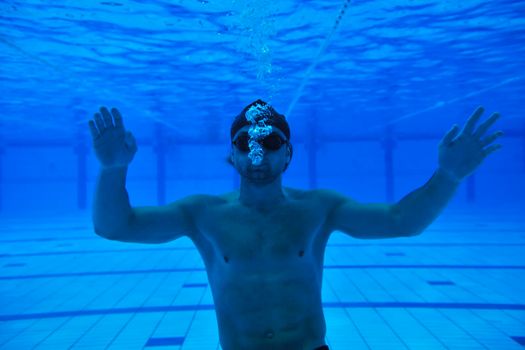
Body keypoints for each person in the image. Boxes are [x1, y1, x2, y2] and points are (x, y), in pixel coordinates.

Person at [88, 100, 503, 350]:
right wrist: (112, 170)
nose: (257, 155)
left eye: (269, 144)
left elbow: (403, 221)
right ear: (230, 155)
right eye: (244, 144)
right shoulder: (202, 214)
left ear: (288, 154)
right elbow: (115, 226)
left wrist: (448, 176)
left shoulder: (320, 208)